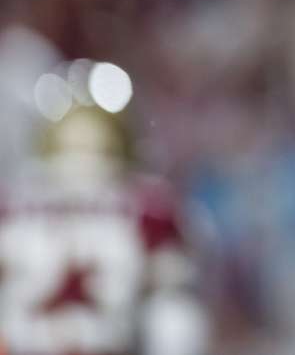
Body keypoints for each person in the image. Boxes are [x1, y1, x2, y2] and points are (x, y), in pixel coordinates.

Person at [0, 96, 208, 355]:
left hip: (57, 344)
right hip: (57, 344)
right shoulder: (147, 207)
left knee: (173, 314)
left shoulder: (12, 206)